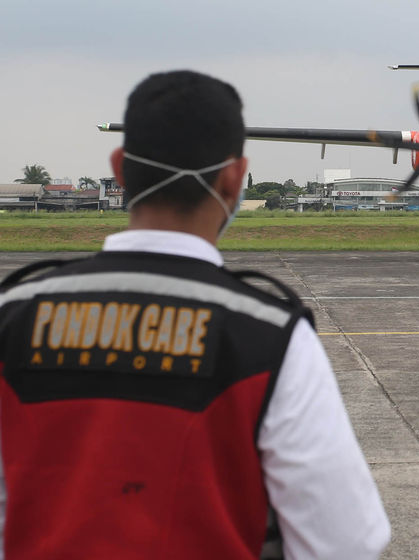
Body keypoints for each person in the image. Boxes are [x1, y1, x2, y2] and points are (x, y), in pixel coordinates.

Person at [0, 70, 390, 559]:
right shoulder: (269, 336)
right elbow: (348, 542)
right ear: (234, 178)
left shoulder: (13, 317)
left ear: (120, 171)